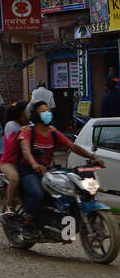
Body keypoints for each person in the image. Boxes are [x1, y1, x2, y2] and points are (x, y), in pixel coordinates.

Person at [15, 100, 102, 238]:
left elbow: (72, 146)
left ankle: (59, 222)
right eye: (43, 111)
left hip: (47, 171)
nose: (48, 113)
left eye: (48, 110)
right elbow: (25, 149)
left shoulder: (52, 133)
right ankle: (28, 224)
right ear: (35, 115)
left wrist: (93, 157)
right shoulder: (28, 132)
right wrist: (34, 164)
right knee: (38, 193)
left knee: (69, 189)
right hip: (28, 171)